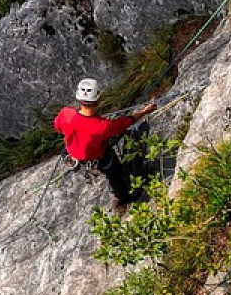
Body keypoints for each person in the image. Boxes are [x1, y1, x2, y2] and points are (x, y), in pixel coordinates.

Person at [54, 77, 156, 207]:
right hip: (99, 157)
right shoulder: (102, 126)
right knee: (115, 173)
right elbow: (125, 122)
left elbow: (58, 127)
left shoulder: (65, 114)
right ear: (98, 99)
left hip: (74, 152)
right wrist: (144, 111)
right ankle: (121, 195)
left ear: (79, 99)